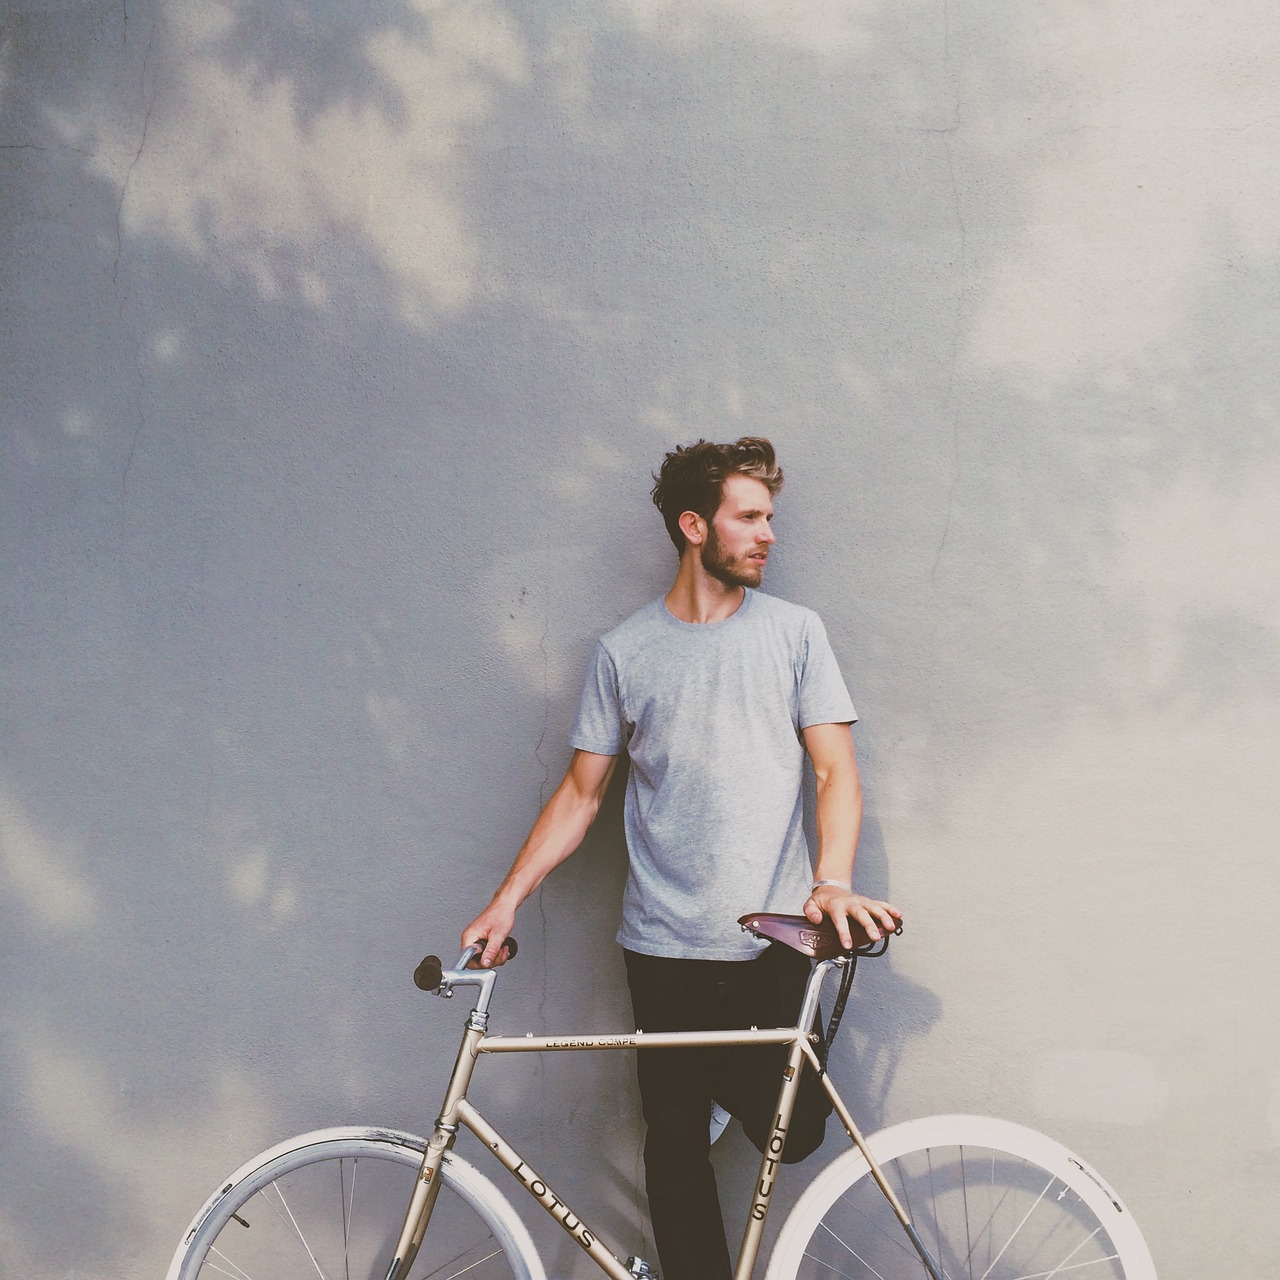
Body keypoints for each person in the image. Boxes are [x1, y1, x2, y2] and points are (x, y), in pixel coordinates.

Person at [462, 437, 901, 1280]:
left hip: (770, 938)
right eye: (750, 517)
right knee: (672, 1149)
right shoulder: (625, 651)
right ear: (695, 526)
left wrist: (832, 881)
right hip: (659, 944)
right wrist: (507, 898)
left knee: (796, 1126)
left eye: (770, 517)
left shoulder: (795, 634)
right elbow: (581, 795)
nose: (768, 533)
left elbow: (834, 770)